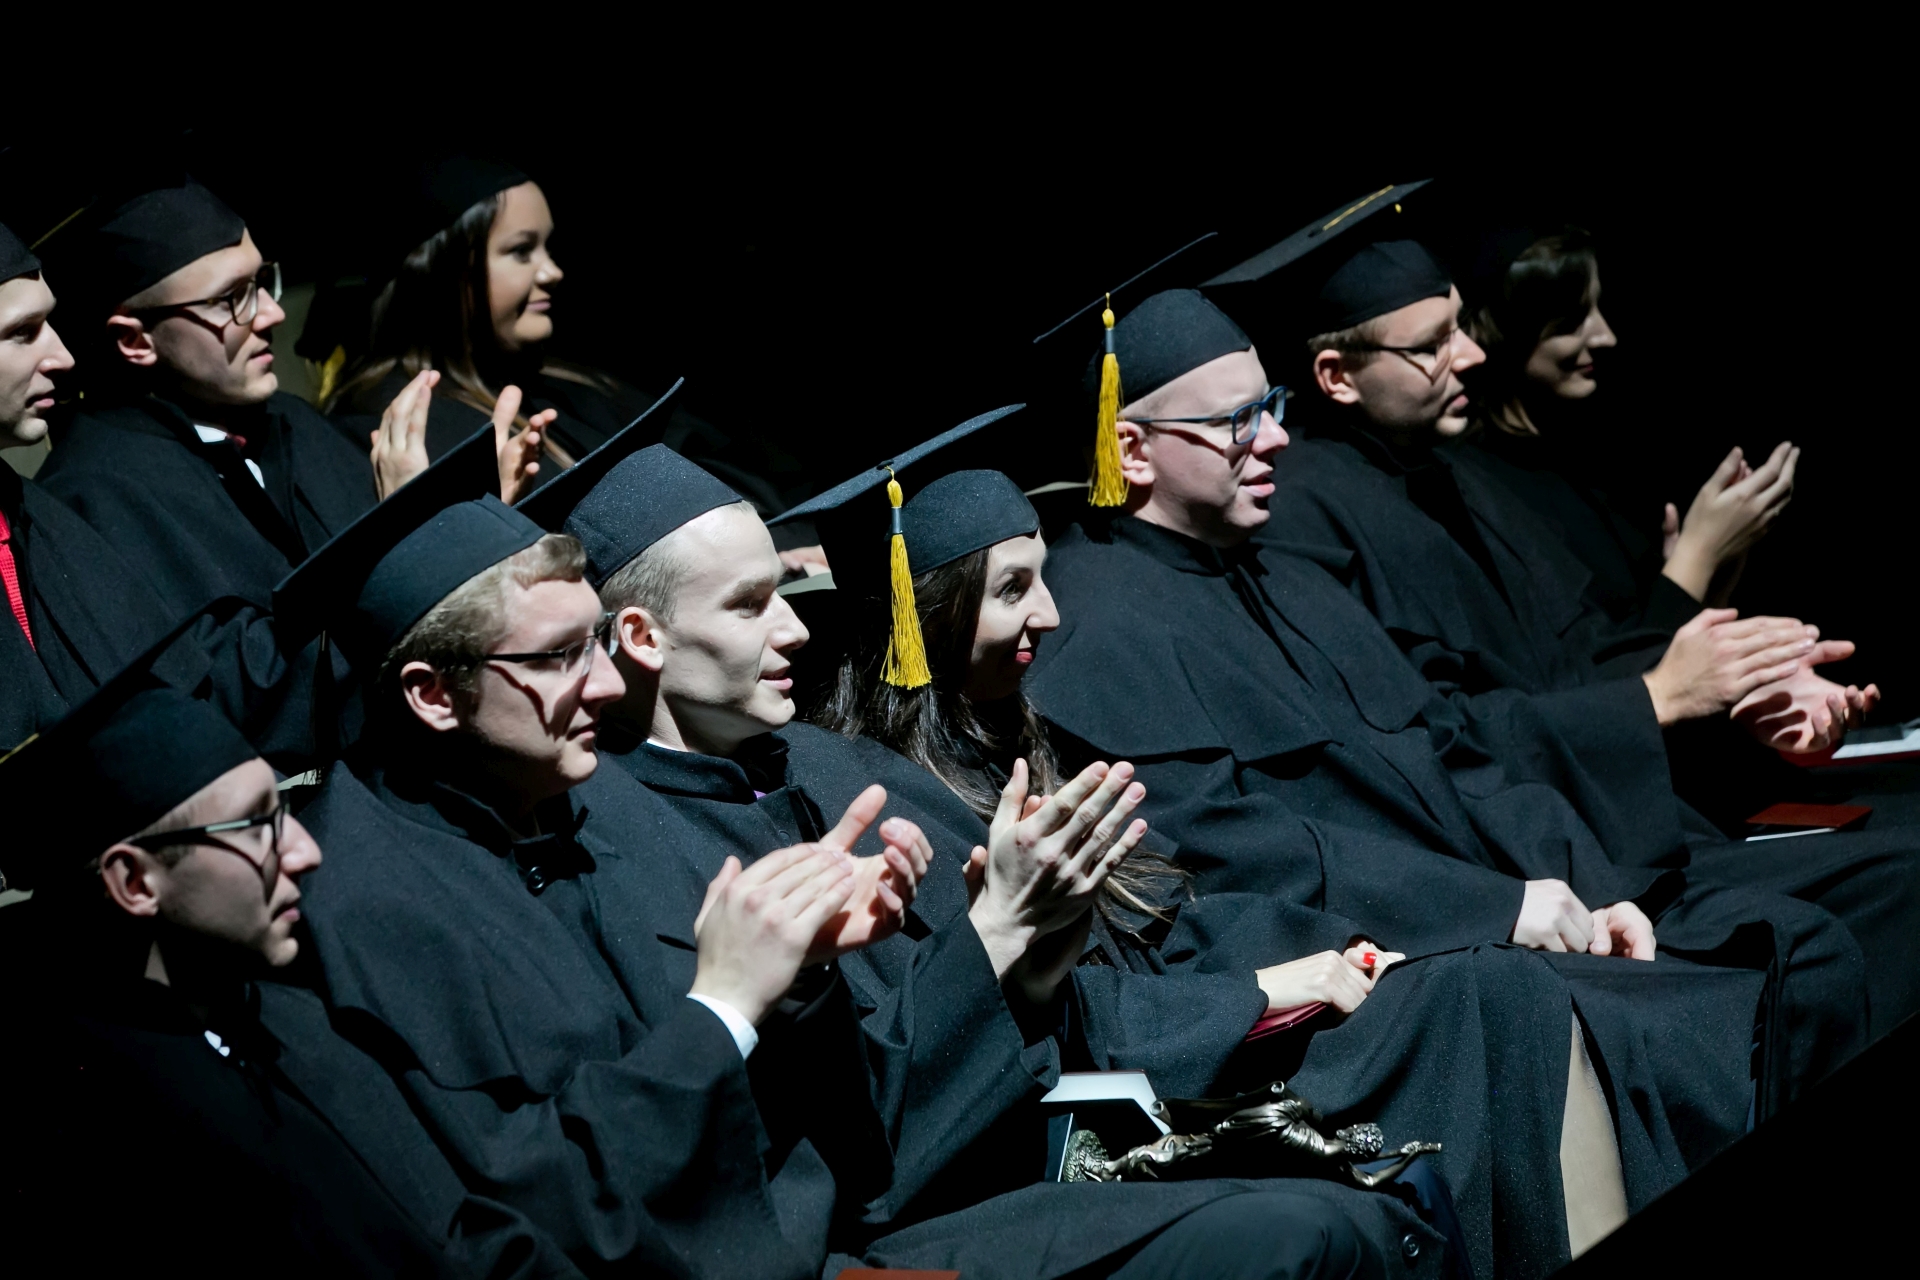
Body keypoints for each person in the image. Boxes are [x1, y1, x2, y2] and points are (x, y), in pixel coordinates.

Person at [274, 427, 1404, 1279]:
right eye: (564, 655)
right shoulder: (379, 904)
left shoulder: (569, 818)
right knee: (1294, 1232)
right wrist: (739, 1000)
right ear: (431, 696)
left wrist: (954, 953)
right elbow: (564, 1208)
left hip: (860, 1198)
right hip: (794, 1249)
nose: (608, 683)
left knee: (1343, 1199)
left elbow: (852, 1125)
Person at [780, 437, 1735, 1273]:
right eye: (1013, 590)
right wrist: (1259, 993)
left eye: (1044, 579)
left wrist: (1346, 950)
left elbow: (1173, 911)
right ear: (923, 616)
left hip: (1184, 1036)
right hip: (1103, 1109)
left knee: (1490, 987)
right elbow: (1041, 1017)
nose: (1053, 617)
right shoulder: (864, 802)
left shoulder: (1003, 738)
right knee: (1497, 1004)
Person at [1023, 282, 1880, 1134]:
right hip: (1401, 984)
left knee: (1808, 947)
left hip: (1504, 923)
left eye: (1270, 406)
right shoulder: (1095, 629)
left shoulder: (1286, 573)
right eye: (1237, 421)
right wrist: (1496, 909)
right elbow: (1238, 861)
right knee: (1754, 999)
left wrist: (1596, 892)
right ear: (1132, 450)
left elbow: (1456, 756)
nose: (1277, 436)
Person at [1204, 192, 1920, 1030]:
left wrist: (1740, 693)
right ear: (1336, 378)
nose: (1473, 355)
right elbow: (1432, 743)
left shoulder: (1454, 477)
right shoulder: (1302, 522)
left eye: (1462, 327)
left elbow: (1575, 656)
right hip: (1538, 868)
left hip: (1614, 827)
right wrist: (1656, 698)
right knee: (1885, 896)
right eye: (1433, 345)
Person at [0, 622, 578, 1277]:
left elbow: (462, 1233)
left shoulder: (291, 1021)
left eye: (285, 815)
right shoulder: (99, 1126)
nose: (305, 851)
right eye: (257, 828)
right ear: (135, 883)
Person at [30, 172, 541, 769]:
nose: (271, 313)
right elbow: (235, 700)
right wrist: (418, 535)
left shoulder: (293, 422)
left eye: (262, 280)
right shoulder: (89, 498)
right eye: (232, 298)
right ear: (135, 340)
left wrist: (475, 520)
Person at [318, 157, 820, 566]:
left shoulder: (569, 383)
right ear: (443, 273)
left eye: (546, 247)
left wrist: (781, 544)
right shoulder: (397, 425)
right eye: (521, 251)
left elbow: (721, 468)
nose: (552, 271)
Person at [1459, 224, 1794, 613]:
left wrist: (1710, 575)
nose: (1606, 336)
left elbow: (1650, 623)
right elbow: (1608, 649)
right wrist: (1698, 553)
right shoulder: (1480, 489)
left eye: (1598, 308)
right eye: (1572, 321)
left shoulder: (1585, 457)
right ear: (1507, 332)